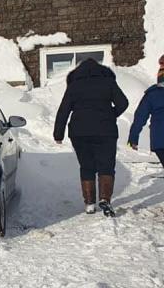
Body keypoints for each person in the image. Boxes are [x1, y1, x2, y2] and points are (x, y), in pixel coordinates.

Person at [53, 58, 129, 216]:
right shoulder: (108, 82)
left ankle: (89, 203)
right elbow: (123, 103)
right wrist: (111, 115)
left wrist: (58, 134)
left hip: (79, 132)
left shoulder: (74, 86)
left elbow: (63, 111)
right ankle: (105, 199)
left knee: (86, 166)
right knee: (106, 165)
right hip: (105, 131)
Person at [127, 54, 164, 170]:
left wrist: (133, 138)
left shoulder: (152, 95)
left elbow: (140, 117)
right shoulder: (152, 94)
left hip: (160, 141)